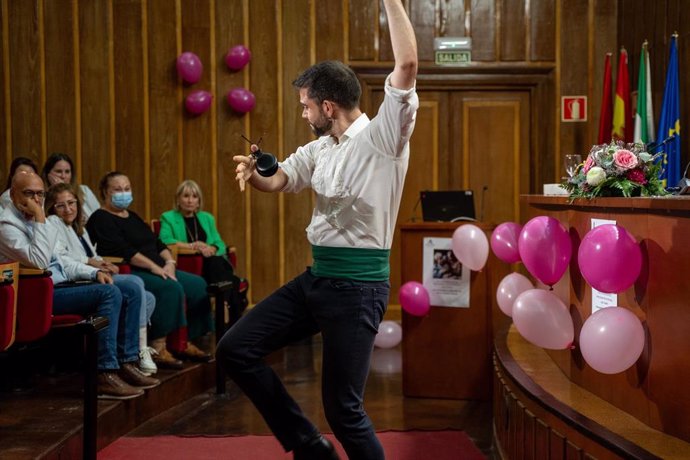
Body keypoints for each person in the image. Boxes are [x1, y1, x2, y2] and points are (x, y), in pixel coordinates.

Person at [217, 1, 418, 458]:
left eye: (306, 106)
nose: (303, 114)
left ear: (327, 105)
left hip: (359, 288)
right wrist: (256, 172)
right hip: (317, 281)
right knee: (236, 349)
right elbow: (282, 178)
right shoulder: (321, 147)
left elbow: (406, 63)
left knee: (343, 409)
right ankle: (308, 446)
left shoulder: (383, 137)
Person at [0, 172, 158, 399]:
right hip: (35, 295)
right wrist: (40, 216)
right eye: (29, 194)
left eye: (40, 194)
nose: (36, 199)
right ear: (13, 194)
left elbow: (63, 261)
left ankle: (127, 361)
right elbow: (41, 261)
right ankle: (104, 372)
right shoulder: (8, 225)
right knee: (109, 294)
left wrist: (94, 273)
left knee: (127, 288)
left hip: (60, 286)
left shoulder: (35, 219)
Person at [86, 171, 213, 368]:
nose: (124, 193)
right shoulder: (100, 218)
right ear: (105, 192)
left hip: (161, 267)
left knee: (198, 285)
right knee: (171, 288)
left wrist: (170, 263)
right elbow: (125, 251)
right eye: (117, 189)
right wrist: (156, 268)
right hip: (132, 271)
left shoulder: (133, 216)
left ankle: (185, 340)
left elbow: (157, 242)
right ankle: (158, 345)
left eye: (127, 189)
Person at [45, 182, 159, 376]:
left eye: (71, 203)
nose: (67, 209)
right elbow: (63, 259)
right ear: (52, 208)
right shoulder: (53, 223)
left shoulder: (78, 227)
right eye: (61, 205)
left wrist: (104, 263)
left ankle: (127, 354)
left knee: (148, 297)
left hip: (88, 272)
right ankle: (131, 355)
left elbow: (92, 254)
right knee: (133, 284)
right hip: (76, 278)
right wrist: (93, 264)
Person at [158, 179, 248, 316]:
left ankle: (223, 304)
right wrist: (192, 246)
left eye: (194, 197)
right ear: (178, 199)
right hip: (191, 266)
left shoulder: (207, 218)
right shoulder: (168, 217)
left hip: (213, 264)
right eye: (186, 196)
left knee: (216, 262)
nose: (190, 201)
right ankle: (228, 307)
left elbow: (219, 243)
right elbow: (165, 240)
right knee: (232, 280)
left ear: (199, 201)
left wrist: (211, 247)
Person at [41, 152, 101, 219]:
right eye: (58, 171)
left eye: (67, 172)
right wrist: (58, 189)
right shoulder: (41, 195)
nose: (63, 176)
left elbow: (98, 217)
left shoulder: (84, 190)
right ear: (48, 174)